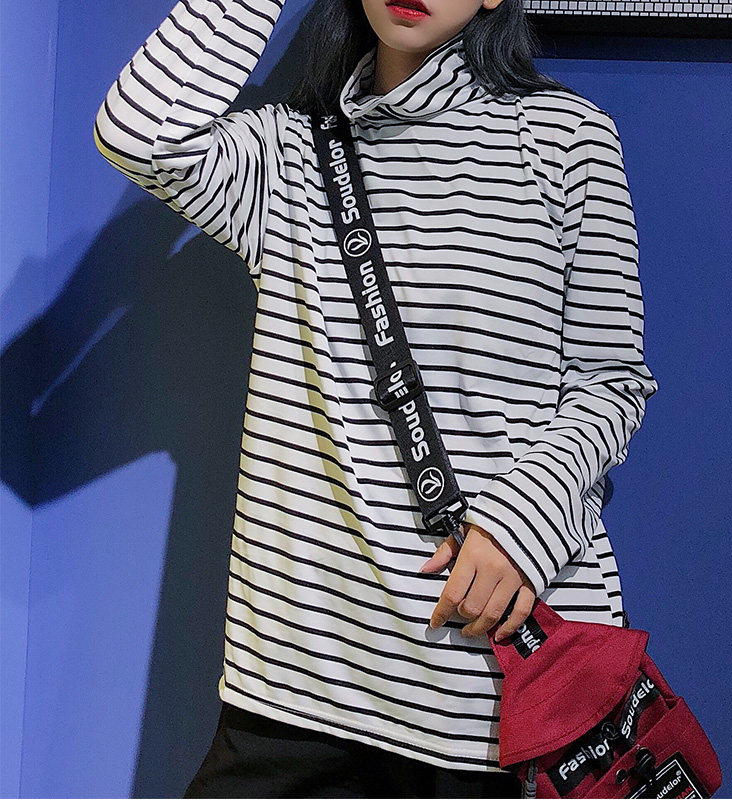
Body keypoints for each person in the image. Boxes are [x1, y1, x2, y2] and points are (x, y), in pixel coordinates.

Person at [93, 0, 658, 796]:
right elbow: (139, 133)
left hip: (485, 692)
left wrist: (519, 525)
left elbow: (611, 381)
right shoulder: (288, 156)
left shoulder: (567, 140)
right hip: (298, 683)